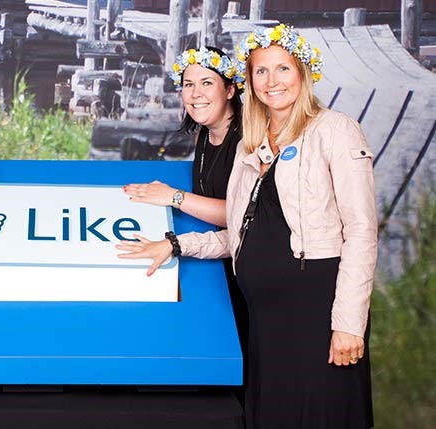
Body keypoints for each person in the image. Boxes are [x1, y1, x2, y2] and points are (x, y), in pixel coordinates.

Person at [118, 24, 376, 429]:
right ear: (250, 81)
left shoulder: (334, 129)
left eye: (283, 69)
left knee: (321, 414)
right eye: (261, 71)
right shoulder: (250, 143)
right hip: (265, 317)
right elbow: (242, 231)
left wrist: (348, 324)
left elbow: (361, 231)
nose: (272, 81)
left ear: (303, 73)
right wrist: (176, 244)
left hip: (316, 309)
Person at [122, 46, 249, 400]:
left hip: (250, 270)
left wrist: (173, 197)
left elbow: (243, 214)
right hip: (221, 263)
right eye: (188, 84)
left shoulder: (248, 140)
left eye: (207, 83)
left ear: (230, 89)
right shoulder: (206, 135)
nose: (195, 94)